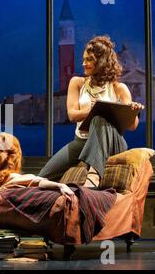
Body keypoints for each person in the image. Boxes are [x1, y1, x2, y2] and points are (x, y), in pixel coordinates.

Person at [39, 35, 144, 188]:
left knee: (99, 118)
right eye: (84, 59)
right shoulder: (77, 83)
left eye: (89, 60)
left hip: (112, 142)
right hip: (81, 141)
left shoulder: (119, 88)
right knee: (43, 177)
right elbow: (72, 115)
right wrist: (91, 110)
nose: (84, 63)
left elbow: (132, 126)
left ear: (101, 62)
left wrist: (133, 111)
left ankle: (93, 176)